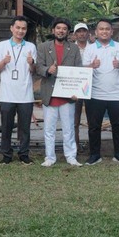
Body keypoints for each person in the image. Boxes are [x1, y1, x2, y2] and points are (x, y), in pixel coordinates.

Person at [36, 18, 83, 167]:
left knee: (68, 128)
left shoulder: (74, 49)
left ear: (68, 32)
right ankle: (50, 157)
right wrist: (47, 70)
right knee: (49, 129)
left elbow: (78, 70)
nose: (61, 31)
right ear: (53, 31)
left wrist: (77, 91)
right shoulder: (43, 47)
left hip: (67, 96)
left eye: (64, 29)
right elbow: (38, 67)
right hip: (49, 93)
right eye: (58, 28)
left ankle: (71, 156)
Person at [83, 18, 119, 165]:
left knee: (118, 125)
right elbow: (82, 71)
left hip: (116, 93)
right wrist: (92, 65)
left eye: (107, 29)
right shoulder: (89, 49)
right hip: (95, 93)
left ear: (111, 31)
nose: (104, 31)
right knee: (94, 126)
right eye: (101, 29)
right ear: (96, 32)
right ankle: (95, 155)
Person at [0, 16, 37, 165]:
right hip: (7, 94)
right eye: (17, 27)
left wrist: (31, 63)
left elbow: (33, 71)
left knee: (25, 128)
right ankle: (6, 155)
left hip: (25, 94)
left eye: (23, 28)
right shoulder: (2, 45)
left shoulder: (31, 47)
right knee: (6, 126)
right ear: (11, 28)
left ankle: (24, 154)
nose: (20, 31)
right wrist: (4, 61)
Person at [73, 22, 90, 152]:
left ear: (88, 33)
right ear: (75, 35)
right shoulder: (70, 49)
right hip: (75, 87)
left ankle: (93, 147)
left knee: (93, 119)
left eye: (84, 31)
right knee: (75, 119)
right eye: (79, 31)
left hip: (91, 87)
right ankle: (75, 146)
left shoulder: (94, 48)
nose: (82, 34)